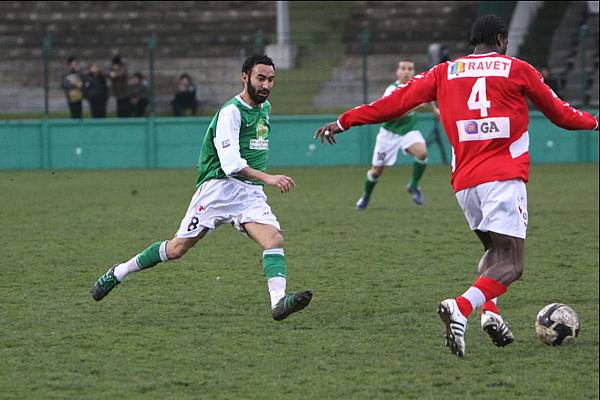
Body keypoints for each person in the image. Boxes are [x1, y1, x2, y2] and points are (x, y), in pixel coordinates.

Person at [314, 15, 598, 357]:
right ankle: (461, 307)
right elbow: (560, 113)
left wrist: (345, 121)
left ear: (472, 42)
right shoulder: (517, 68)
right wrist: (595, 122)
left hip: (465, 182)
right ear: (502, 39)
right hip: (503, 176)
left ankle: (490, 313)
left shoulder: (444, 72)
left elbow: (393, 103)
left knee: (493, 253)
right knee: (512, 263)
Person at [92, 55, 312, 321]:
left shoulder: (265, 109)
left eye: (271, 80)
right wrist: (269, 178)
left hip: (249, 194)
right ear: (245, 77)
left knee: (274, 239)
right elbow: (231, 164)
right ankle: (120, 272)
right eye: (261, 78)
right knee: (176, 249)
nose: (266, 85)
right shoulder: (230, 113)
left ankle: (278, 303)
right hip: (218, 190)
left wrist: (260, 182)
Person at [356, 60, 440, 209]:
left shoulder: (418, 86)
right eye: (403, 68)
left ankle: (413, 186)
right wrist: (414, 105)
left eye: (410, 68)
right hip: (389, 134)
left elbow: (431, 102)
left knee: (422, 153)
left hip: (408, 131)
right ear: (397, 72)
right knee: (376, 172)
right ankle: (366, 196)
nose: (407, 71)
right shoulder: (391, 90)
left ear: (413, 72)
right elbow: (391, 114)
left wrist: (437, 112)